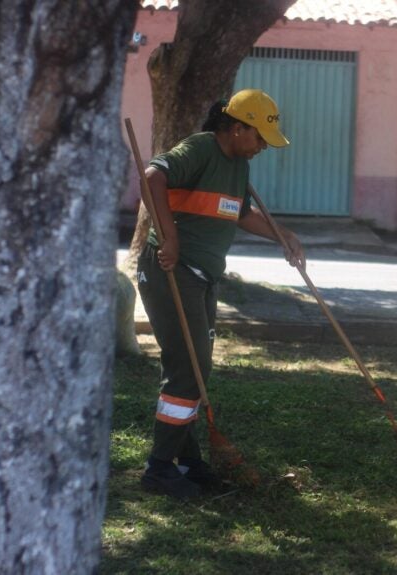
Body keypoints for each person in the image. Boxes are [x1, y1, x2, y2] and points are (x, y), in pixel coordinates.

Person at [136, 89, 306, 499]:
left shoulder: (237, 166)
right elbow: (152, 177)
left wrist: (282, 235)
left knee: (190, 366)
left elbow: (240, 214)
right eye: (260, 137)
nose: (263, 147)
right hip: (172, 272)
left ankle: (185, 459)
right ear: (236, 127)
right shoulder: (200, 148)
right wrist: (170, 237)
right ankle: (159, 469)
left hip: (203, 277)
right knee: (189, 370)